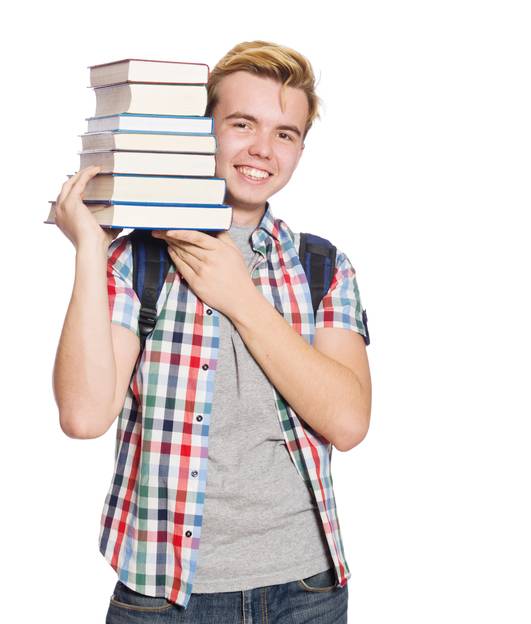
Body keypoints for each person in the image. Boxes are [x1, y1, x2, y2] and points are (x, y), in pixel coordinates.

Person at [51, 40, 371, 623]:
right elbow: (83, 416)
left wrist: (241, 298)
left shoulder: (324, 267)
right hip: (163, 596)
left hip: (306, 592)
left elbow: (348, 423)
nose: (261, 150)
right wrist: (90, 252)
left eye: (285, 133)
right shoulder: (137, 262)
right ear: (203, 131)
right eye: (242, 123)